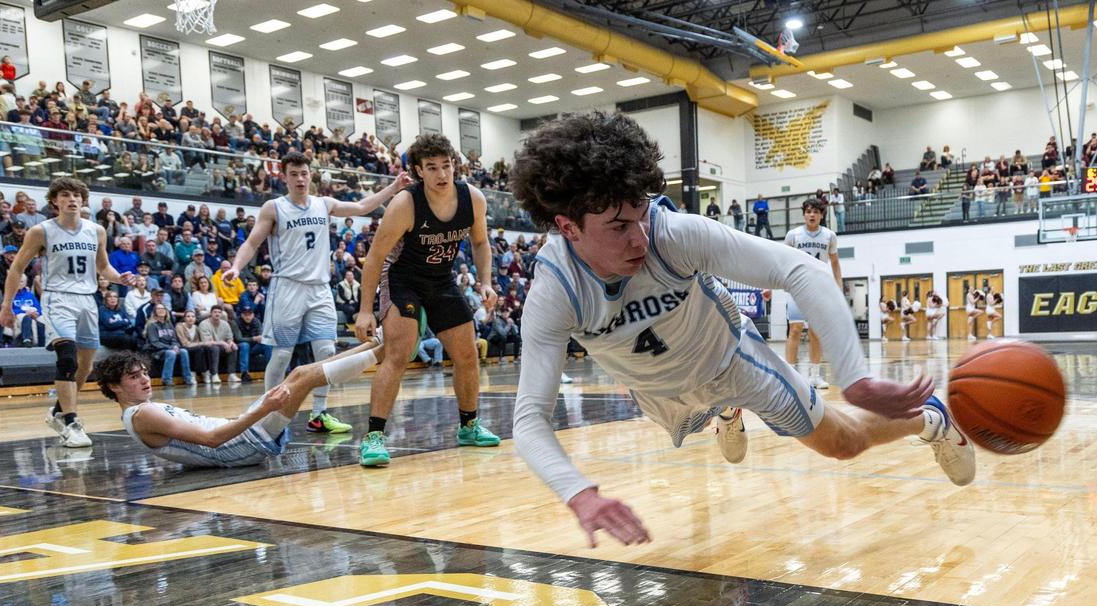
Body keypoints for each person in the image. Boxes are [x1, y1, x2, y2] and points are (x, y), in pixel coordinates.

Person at [507, 112, 974, 547]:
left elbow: (802, 271)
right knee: (691, 403)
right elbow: (529, 418)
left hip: (732, 360)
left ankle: (930, 419)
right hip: (659, 392)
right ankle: (724, 412)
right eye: (619, 227)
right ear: (568, 228)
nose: (640, 238)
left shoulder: (674, 235)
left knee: (844, 444)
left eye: (642, 215)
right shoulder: (555, 292)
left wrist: (854, 378)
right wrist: (580, 494)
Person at [224, 151, 409, 434]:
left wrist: (393, 188)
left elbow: (360, 206)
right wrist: (237, 267)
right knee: (283, 355)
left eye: (304, 173)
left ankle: (319, 414)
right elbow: (251, 243)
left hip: (320, 288)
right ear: (284, 177)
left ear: (311, 175)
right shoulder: (274, 208)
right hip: (287, 287)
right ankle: (267, 413)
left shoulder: (324, 204)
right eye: (294, 174)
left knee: (325, 351)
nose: (300, 179)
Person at [354, 133, 501, 467]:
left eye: (446, 165)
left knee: (467, 353)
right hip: (404, 279)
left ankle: (469, 426)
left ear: (455, 165)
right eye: (432, 167)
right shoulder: (405, 204)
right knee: (398, 354)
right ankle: (374, 436)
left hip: (442, 280)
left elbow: (480, 243)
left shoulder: (473, 199)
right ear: (419, 171)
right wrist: (365, 311)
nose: (441, 174)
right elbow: (375, 258)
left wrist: (486, 282)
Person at [0, 178, 136, 448]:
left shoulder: (96, 231)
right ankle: (71, 421)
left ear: (83, 200)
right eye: (65, 195)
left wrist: (120, 279)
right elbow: (17, 269)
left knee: (85, 366)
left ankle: (57, 412)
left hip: (87, 299)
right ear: (54, 201)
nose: (71, 199)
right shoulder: (41, 231)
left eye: (76, 195)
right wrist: (6, 305)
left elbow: (103, 267)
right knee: (67, 358)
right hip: (57, 298)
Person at [96, 341, 382, 467]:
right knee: (303, 380)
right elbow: (210, 440)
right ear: (114, 386)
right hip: (237, 447)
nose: (145, 380)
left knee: (299, 374)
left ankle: (373, 345)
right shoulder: (142, 415)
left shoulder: (141, 411)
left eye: (145, 373)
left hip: (236, 438)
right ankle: (381, 351)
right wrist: (262, 409)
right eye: (134, 377)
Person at [783, 199, 842, 389]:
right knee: (795, 329)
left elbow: (834, 263)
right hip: (797, 286)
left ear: (822, 215)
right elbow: (782, 260)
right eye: (808, 211)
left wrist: (838, 288)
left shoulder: (829, 236)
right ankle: (790, 374)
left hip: (818, 288)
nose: (811, 214)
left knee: (816, 333)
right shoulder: (793, 235)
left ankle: (815, 376)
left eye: (816, 212)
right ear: (804, 214)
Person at [145, 302, 194, 386]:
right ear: (154, 312)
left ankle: (188, 378)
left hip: (169, 348)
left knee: (184, 351)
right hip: (156, 351)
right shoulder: (151, 325)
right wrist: (170, 348)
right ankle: (166, 379)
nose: (161, 310)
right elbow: (155, 342)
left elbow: (174, 339)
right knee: (171, 353)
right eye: (158, 309)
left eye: (163, 308)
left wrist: (175, 346)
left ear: (166, 311)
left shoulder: (169, 324)